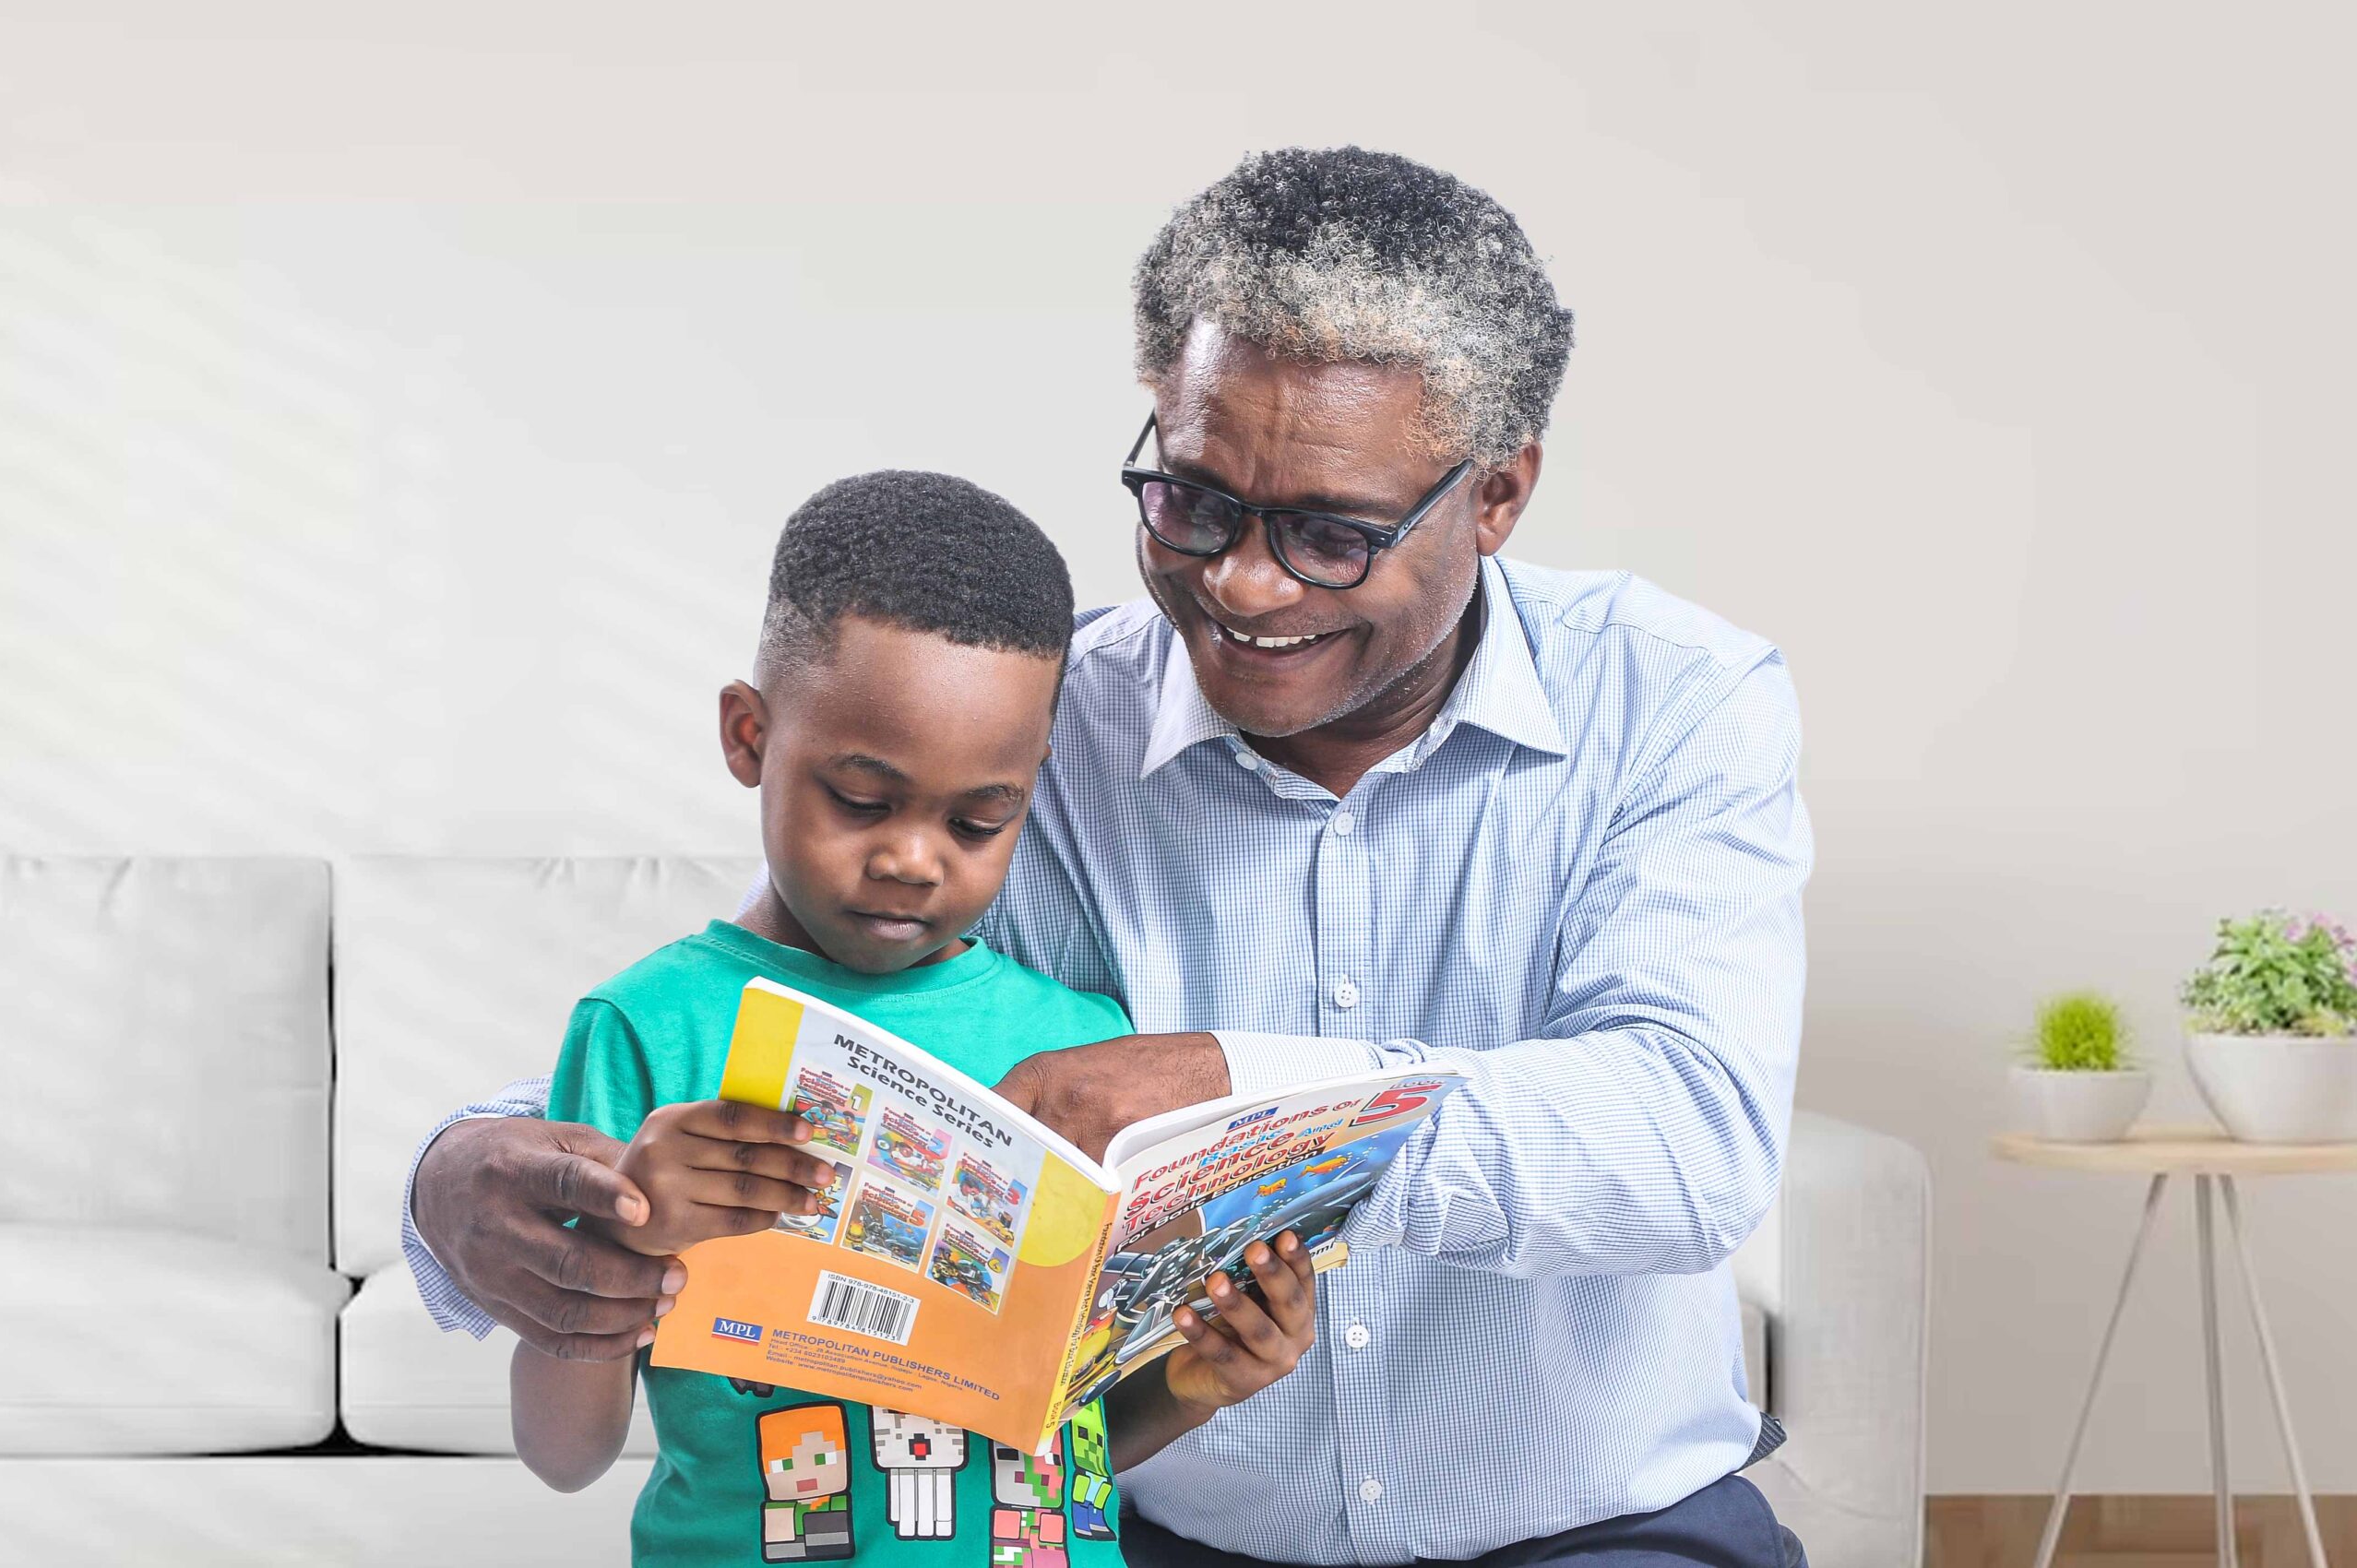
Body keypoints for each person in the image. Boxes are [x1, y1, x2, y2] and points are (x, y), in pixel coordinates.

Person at [409, 148, 1812, 1568]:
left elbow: (1687, 1135)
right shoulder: (1037, 726)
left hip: (1599, 1532)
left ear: (1497, 497)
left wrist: (1235, 1092)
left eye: (1332, 535)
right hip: (1172, 1540)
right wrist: (461, 1169)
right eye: (1196, 503)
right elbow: (828, 1026)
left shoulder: (1675, 704)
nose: (1247, 587)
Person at [506, 469, 1318, 1564]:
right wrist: (623, 1233)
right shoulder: (649, 1027)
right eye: (859, 799)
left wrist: (1196, 1380)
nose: (911, 859)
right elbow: (562, 1451)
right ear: (749, 735)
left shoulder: (1082, 1043)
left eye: (980, 819)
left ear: (1031, 783)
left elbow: (1060, 1433)